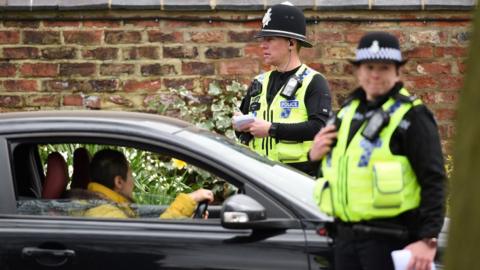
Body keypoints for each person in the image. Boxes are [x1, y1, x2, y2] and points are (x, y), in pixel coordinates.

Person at [310, 32, 445, 270]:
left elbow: (434, 180)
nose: (375, 74)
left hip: (391, 242)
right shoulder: (347, 112)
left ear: (397, 72)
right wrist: (314, 156)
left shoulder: (413, 116)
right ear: (358, 71)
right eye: (369, 66)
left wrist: (428, 239)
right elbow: (338, 169)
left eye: (384, 67)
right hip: (345, 239)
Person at [233, 1, 331, 177]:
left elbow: (319, 127)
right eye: (263, 39)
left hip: (298, 177)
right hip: (259, 174)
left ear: (291, 43)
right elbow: (243, 129)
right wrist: (240, 125)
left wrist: (271, 129)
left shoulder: (313, 81)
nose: (263, 44)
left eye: (270, 39)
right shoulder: (259, 82)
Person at [82, 149, 214, 219]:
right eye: (130, 175)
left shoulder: (105, 208)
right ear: (119, 182)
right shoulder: (105, 214)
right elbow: (152, 240)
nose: (133, 182)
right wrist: (190, 199)